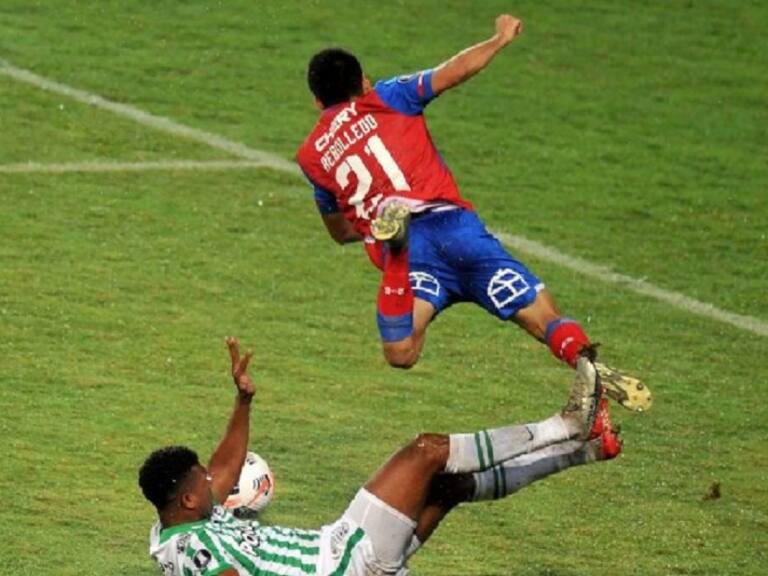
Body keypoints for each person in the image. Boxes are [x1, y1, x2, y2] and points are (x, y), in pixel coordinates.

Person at [295, 15, 650, 412]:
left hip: (416, 257)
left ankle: (395, 254)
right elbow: (454, 71)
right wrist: (499, 40)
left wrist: (369, 223)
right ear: (363, 82)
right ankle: (588, 365)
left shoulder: (311, 157)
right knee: (544, 317)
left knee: (401, 352)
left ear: (316, 101)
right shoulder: (388, 95)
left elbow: (340, 232)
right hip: (458, 230)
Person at [139, 338, 621, 575]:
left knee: (448, 486)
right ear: (186, 499)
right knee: (426, 452)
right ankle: (569, 424)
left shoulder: (179, 521)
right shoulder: (191, 552)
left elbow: (223, 466)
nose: (214, 482)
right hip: (342, 561)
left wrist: (243, 401)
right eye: (202, 482)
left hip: (343, 557)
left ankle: (590, 449)